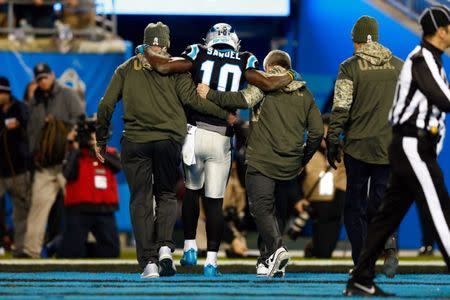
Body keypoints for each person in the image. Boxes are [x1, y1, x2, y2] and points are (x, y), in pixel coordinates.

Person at [136, 23, 298, 276]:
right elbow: (265, 82)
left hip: (194, 131)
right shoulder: (245, 58)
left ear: (210, 39)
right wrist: (290, 76)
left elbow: (164, 66)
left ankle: (189, 246)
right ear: (233, 41)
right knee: (214, 202)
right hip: (221, 136)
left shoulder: (197, 51)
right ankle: (211, 262)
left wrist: (146, 49)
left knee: (191, 191)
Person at [96, 22, 232, 279]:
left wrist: (101, 139)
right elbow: (194, 100)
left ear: (145, 42)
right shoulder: (177, 68)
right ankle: (165, 250)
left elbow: (106, 105)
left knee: (141, 201)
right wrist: (226, 115)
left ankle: (148, 263)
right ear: (167, 44)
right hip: (168, 141)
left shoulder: (126, 68)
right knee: (167, 195)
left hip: (136, 141)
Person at [344, 5, 450, 296]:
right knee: (441, 209)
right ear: (440, 31)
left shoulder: (431, 59)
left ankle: (360, 277)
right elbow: (443, 99)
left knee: (386, 216)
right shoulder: (420, 59)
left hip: (411, 145)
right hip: (412, 145)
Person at [197, 49, 323, 277]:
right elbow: (315, 133)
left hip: (261, 160)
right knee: (279, 212)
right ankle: (266, 261)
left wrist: (210, 94)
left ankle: (276, 249)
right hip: (289, 164)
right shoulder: (305, 93)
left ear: (268, 67)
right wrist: (303, 159)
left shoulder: (264, 85)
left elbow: (240, 99)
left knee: (262, 209)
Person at [326, 15, 404, 277]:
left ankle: (363, 263)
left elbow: (341, 107)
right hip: (388, 147)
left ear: (356, 40)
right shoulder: (399, 66)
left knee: (354, 206)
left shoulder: (349, 67)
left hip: (358, 147)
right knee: (382, 201)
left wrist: (332, 139)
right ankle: (390, 246)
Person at [22, 63, 84, 258]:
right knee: (37, 209)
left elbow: (80, 121)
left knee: (79, 208)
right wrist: (34, 153)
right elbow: (32, 132)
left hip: (66, 163)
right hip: (45, 166)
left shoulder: (68, 94)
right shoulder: (34, 101)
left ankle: (85, 246)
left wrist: (61, 128)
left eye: (45, 77)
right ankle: (30, 251)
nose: (43, 82)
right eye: (39, 79)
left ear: (53, 75)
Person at [53, 116, 120, 258]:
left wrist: (97, 147)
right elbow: (68, 175)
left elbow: (117, 167)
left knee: (111, 252)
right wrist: (75, 149)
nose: (91, 134)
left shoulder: (110, 152)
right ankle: (60, 245)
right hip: (79, 208)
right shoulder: (74, 153)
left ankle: (62, 243)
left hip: (104, 208)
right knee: (72, 254)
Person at [289, 114, 346, 258]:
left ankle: (314, 249)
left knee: (326, 251)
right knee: (321, 250)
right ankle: (313, 248)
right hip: (314, 205)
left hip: (335, 206)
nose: (326, 136)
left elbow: (345, 181)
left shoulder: (343, 154)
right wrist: (298, 199)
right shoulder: (306, 153)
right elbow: (293, 179)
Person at [0, 76, 31, 257]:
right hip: (0, 171)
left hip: (18, 170)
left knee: (21, 211)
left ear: (6, 93)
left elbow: (28, 125)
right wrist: (6, 123)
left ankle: (20, 249)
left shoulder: (20, 107)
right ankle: (3, 240)